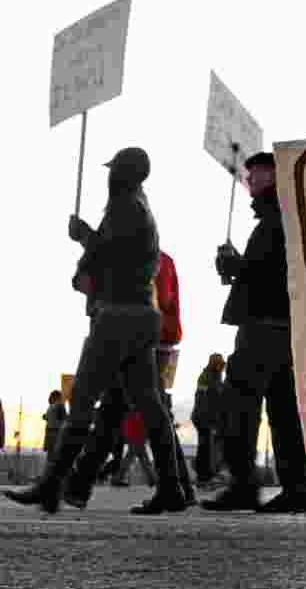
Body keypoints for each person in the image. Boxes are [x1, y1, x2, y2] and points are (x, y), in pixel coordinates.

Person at [3, 147, 188, 515]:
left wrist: (84, 235)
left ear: (123, 173)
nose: (109, 176)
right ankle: (171, 488)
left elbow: (112, 257)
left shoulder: (125, 207)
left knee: (84, 400)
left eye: (113, 170)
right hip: (141, 317)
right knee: (149, 405)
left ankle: (51, 486)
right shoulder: (140, 208)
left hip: (118, 316)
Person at [201, 152, 306, 514]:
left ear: (273, 175)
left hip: (263, 328)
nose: (248, 180)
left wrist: (238, 266)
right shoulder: (284, 216)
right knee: (283, 411)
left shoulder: (276, 220)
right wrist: (239, 266)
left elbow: (273, 273)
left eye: (255, 174)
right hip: (282, 328)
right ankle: (297, 488)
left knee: (240, 406)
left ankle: (243, 485)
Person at [61, 250, 196, 510]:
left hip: (145, 341)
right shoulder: (139, 257)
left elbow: (158, 298)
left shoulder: (151, 259)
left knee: (122, 412)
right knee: (122, 411)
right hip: (140, 339)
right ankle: (176, 489)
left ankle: (81, 484)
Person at [192, 353, 227, 484]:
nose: (222, 367)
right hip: (203, 417)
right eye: (220, 364)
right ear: (214, 364)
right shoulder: (206, 377)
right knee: (205, 447)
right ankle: (204, 476)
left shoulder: (215, 377)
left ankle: (208, 474)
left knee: (209, 446)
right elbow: (204, 398)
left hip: (208, 417)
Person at [42, 391, 67, 462]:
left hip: (55, 432)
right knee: (52, 454)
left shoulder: (59, 406)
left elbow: (63, 419)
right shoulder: (53, 406)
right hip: (51, 432)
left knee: (53, 454)